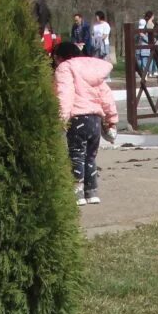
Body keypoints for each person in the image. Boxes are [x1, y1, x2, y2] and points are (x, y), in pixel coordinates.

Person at [53, 39, 118, 205]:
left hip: (78, 118)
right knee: (90, 156)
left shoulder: (65, 68)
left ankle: (78, 193)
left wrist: (61, 119)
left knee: (76, 156)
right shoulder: (92, 70)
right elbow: (106, 96)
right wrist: (112, 119)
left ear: (60, 57)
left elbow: (64, 95)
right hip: (95, 119)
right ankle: (92, 191)